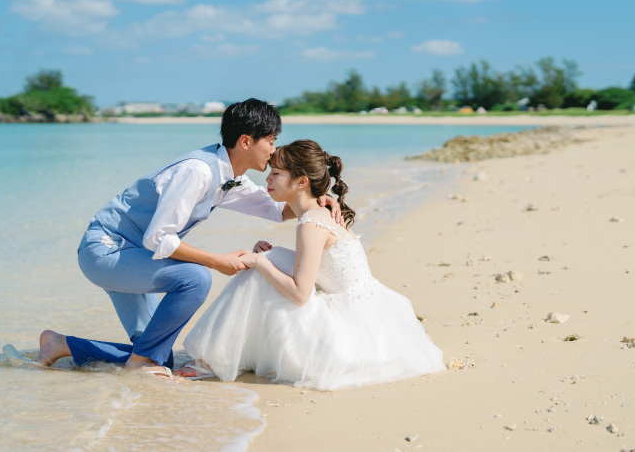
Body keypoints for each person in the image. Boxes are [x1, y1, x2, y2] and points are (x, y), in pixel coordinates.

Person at [27, 99, 340, 380]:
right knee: (196, 278)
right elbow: (159, 238)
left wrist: (319, 198)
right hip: (108, 251)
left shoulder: (230, 177)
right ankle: (135, 362)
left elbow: (276, 209)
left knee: (158, 358)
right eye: (271, 141)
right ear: (246, 141)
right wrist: (218, 261)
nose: (274, 150)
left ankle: (61, 344)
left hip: (137, 257)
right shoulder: (198, 171)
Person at [179, 139, 446, 389]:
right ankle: (225, 354)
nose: (267, 179)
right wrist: (265, 258)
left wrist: (259, 261)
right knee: (265, 259)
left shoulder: (311, 223)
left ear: (301, 182)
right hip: (369, 309)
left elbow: (299, 294)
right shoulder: (317, 213)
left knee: (259, 266)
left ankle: (217, 359)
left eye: (276, 174)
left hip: (348, 326)